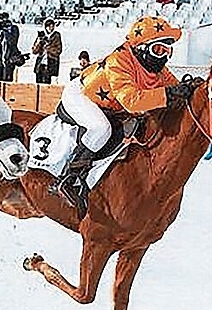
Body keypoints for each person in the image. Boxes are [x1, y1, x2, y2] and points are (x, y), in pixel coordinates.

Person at [57, 16, 189, 213]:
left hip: (111, 105)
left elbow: (174, 87)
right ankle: (71, 177)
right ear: (142, 48)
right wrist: (168, 94)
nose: (164, 57)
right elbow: (132, 101)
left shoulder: (157, 69)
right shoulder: (119, 60)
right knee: (101, 129)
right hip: (82, 96)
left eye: (167, 51)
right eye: (158, 50)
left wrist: (189, 89)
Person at [32, 18, 62, 84]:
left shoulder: (56, 35)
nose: (51, 28)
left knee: (47, 84)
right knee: (38, 83)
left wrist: (48, 48)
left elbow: (58, 50)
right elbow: (34, 51)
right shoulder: (41, 35)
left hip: (51, 63)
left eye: (52, 26)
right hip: (40, 63)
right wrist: (39, 42)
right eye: (49, 26)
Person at [0, 12, 20, 82]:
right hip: (0, 59)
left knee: (7, 81)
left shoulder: (14, 28)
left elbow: (13, 41)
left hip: (9, 59)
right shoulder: (0, 30)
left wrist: (5, 31)